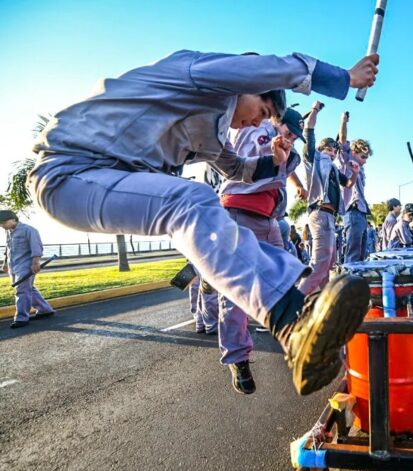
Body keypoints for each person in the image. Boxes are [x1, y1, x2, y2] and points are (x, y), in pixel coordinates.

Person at [29, 49, 379, 396]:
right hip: (70, 170)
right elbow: (269, 68)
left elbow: (237, 169)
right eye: (262, 112)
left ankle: (295, 317)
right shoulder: (197, 75)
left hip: (104, 177)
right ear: (248, 86)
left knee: (194, 205)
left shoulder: (213, 131)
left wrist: (275, 162)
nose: (256, 123)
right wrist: (345, 77)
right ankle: (289, 320)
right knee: (190, 200)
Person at [215, 106, 309, 394]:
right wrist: (273, 138)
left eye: (295, 135)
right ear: (274, 119)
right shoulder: (257, 128)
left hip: (269, 220)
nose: (291, 138)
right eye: (289, 132)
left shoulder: (283, 144)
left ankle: (297, 338)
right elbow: (254, 155)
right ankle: (237, 358)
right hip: (238, 213)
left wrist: (291, 169)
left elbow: (285, 165)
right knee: (236, 290)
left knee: (284, 278)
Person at [298, 105, 360, 294]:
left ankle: (324, 301)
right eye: (328, 149)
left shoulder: (333, 168)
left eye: (334, 150)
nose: (332, 153)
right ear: (320, 148)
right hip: (319, 212)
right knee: (320, 263)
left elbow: (348, 184)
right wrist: (315, 110)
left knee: (329, 263)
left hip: (330, 217)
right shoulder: (314, 158)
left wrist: (355, 172)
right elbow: (309, 131)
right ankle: (295, 301)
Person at [0, 210, 55, 329]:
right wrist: (5, 263)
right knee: (28, 289)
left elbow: (36, 247)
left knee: (21, 290)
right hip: (13, 266)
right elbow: (8, 248)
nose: (2, 225)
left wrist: (35, 263)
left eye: (3, 222)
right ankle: (45, 310)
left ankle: (21, 318)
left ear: (13, 219)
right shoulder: (9, 232)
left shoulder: (29, 230)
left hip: (26, 266)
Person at [338, 113, 373, 263]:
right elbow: (342, 140)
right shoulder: (347, 160)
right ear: (354, 153)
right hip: (352, 211)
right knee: (353, 255)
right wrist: (344, 121)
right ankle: (348, 278)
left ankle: (356, 277)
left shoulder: (361, 169)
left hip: (362, 213)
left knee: (361, 255)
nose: (365, 161)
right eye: (363, 157)